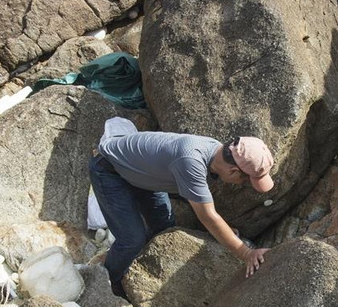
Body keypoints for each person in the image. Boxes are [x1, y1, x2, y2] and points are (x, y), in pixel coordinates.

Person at [89, 120, 273, 294]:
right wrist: (246, 253)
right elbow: (208, 216)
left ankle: (139, 268)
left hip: (145, 176)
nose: (241, 184)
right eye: (244, 180)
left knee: (164, 226)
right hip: (109, 170)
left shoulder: (215, 153)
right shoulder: (191, 161)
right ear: (233, 171)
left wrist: (223, 231)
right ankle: (108, 284)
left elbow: (200, 203)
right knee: (132, 240)